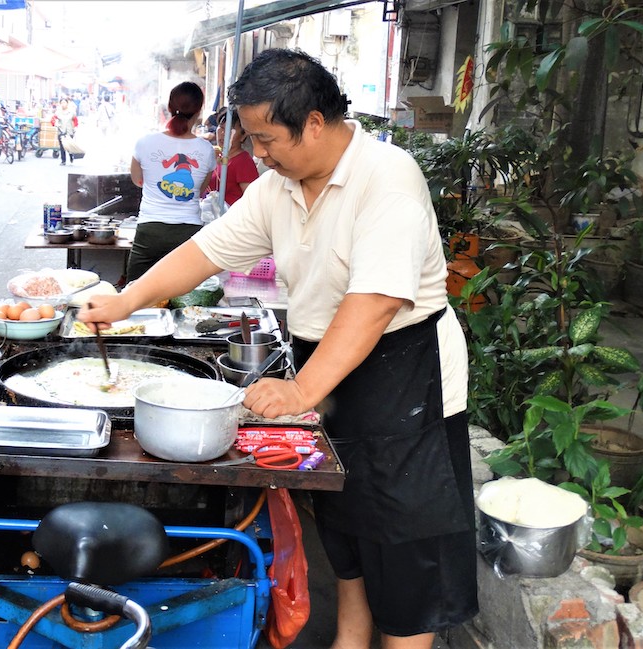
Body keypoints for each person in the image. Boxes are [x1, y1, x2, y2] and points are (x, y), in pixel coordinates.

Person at [79, 49, 477, 649]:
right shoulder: (279, 188)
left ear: (314, 122)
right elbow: (206, 251)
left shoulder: (387, 177)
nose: (256, 152)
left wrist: (300, 390)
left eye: (266, 138)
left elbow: (372, 304)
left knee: (404, 557)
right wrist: (127, 299)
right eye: (251, 137)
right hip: (335, 367)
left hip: (405, 374)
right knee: (346, 533)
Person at [125, 81, 215, 281]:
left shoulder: (145, 143)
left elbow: (137, 180)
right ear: (199, 110)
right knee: (185, 299)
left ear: (169, 106)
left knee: (136, 294)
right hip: (188, 232)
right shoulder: (206, 149)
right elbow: (199, 191)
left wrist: (157, 185)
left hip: (150, 230)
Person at [206, 108, 259, 208]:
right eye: (221, 128)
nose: (222, 134)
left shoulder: (243, 162)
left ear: (243, 136)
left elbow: (252, 200)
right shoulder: (216, 156)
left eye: (229, 130)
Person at [51, 97, 78, 165]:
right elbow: (53, 119)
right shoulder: (58, 113)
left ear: (67, 103)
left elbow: (75, 120)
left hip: (70, 131)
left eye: (64, 102)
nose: (63, 104)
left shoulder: (72, 112)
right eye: (62, 103)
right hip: (61, 131)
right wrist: (55, 123)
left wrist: (75, 127)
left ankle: (71, 157)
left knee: (69, 146)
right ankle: (63, 160)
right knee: (62, 147)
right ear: (60, 104)